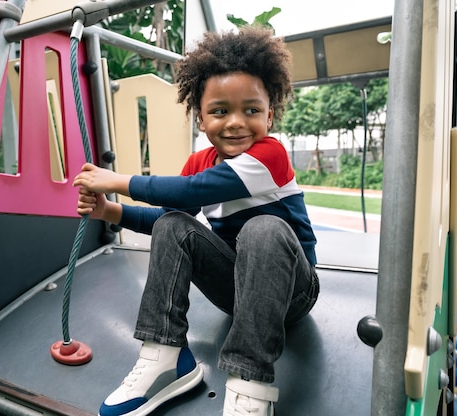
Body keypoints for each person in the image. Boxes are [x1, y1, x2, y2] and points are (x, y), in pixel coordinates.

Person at [73, 26, 319, 416]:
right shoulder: (200, 163)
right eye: (220, 111)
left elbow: (190, 191)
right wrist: (111, 211)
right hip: (237, 291)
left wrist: (119, 181)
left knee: (263, 228)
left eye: (251, 110)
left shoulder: (270, 155)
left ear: (269, 116)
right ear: (201, 119)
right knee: (173, 224)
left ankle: (250, 384)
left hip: (293, 291)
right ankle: (165, 357)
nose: (236, 122)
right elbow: (171, 215)